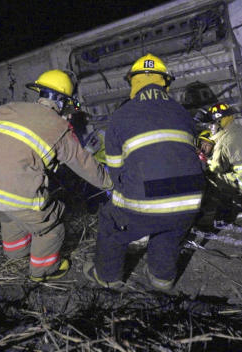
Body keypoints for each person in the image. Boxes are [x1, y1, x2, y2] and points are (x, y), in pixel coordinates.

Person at [0, 69, 113, 282]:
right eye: (67, 106)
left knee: (9, 217)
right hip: (16, 194)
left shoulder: (7, 109)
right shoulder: (60, 128)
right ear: (61, 102)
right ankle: (43, 271)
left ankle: (16, 254)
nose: (69, 113)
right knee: (51, 226)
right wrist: (110, 182)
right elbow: (85, 165)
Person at [83, 54, 205, 291]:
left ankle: (107, 277)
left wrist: (128, 197)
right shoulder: (182, 113)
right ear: (165, 82)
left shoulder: (121, 115)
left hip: (147, 198)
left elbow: (116, 171)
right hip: (190, 199)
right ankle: (162, 278)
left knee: (111, 219)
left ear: (133, 82)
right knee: (169, 229)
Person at [195, 102, 242, 219]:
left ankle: (238, 209)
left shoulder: (223, 143)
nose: (210, 127)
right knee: (235, 169)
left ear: (220, 122)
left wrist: (206, 161)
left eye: (211, 124)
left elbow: (217, 168)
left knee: (216, 177)